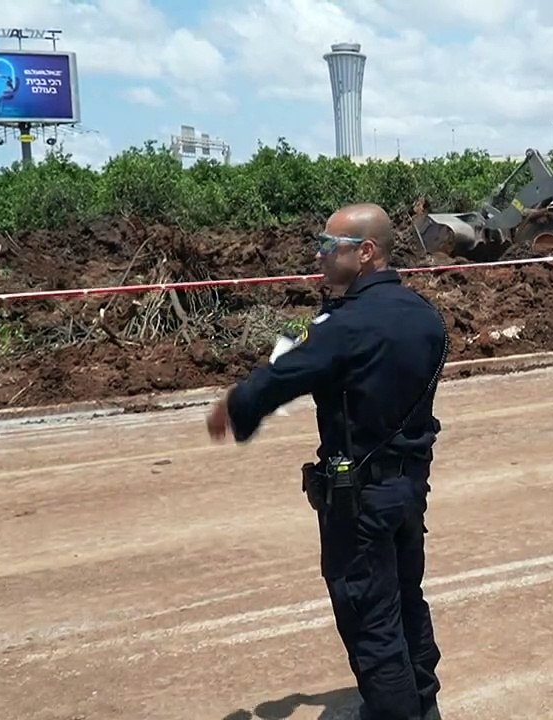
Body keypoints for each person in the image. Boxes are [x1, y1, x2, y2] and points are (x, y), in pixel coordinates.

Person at [205, 203, 449, 720]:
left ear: (366, 252)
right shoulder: (426, 316)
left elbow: (282, 375)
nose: (319, 255)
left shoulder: (344, 326)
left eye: (328, 245)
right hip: (408, 492)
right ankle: (424, 706)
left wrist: (235, 406)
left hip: (357, 502)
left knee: (369, 618)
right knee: (407, 602)